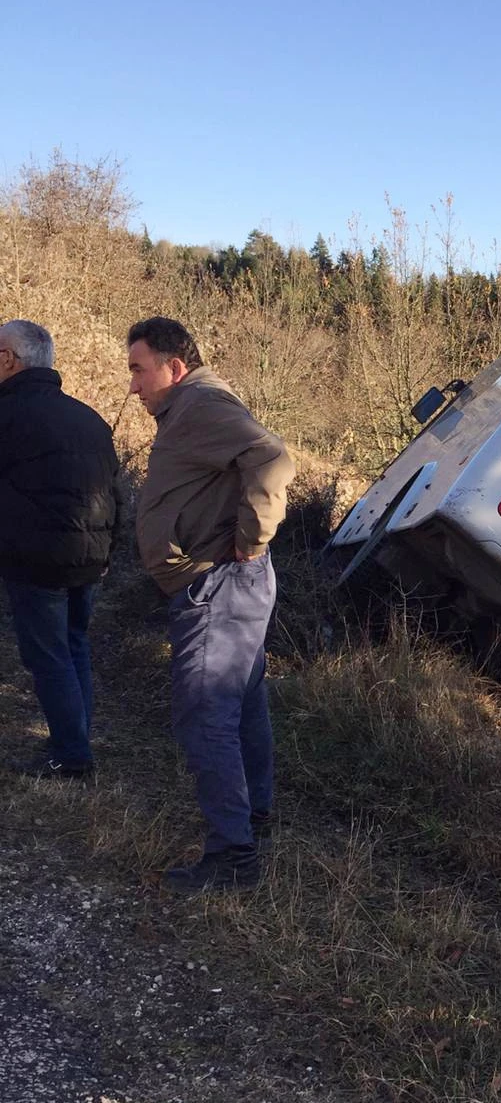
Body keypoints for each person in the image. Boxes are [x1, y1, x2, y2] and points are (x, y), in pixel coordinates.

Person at [127, 317, 295, 894]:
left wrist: (251, 539)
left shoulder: (199, 403)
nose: (133, 385)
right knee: (242, 704)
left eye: (138, 369)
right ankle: (254, 817)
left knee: (205, 714)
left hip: (221, 584)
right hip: (230, 584)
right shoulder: (195, 404)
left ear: (174, 367)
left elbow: (273, 460)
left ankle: (232, 856)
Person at [0, 319, 119, 779]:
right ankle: (75, 740)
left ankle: (71, 755)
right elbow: (116, 494)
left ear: (9, 359)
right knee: (74, 647)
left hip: (35, 558)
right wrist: (109, 551)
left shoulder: (8, 415)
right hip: (88, 557)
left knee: (48, 656)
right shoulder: (89, 418)